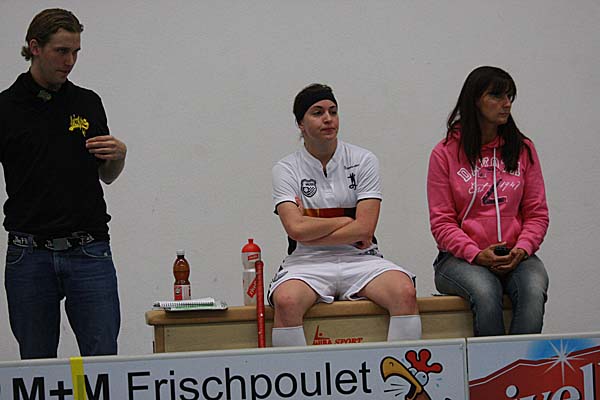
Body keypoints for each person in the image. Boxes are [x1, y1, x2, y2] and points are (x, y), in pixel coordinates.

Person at [0, 8, 127, 359]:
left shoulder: (87, 102)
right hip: (29, 252)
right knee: (36, 365)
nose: (70, 61)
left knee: (103, 359)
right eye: (61, 51)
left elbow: (106, 174)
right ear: (35, 47)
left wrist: (119, 156)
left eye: (75, 52)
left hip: (89, 249)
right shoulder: (6, 108)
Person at [268, 83, 421, 347]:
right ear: (301, 124)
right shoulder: (285, 169)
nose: (328, 119)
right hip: (307, 262)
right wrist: (344, 221)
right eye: (317, 112)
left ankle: (399, 371)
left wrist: (311, 228)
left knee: (404, 291)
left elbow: (365, 230)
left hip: (360, 258)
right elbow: (295, 229)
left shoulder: (364, 160)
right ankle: (296, 372)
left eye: (333, 111)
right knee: (287, 300)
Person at [427, 66, 549, 336]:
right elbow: (442, 222)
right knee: (486, 291)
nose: (506, 104)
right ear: (474, 100)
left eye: (509, 96)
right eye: (496, 96)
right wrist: (475, 253)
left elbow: (537, 214)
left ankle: (520, 360)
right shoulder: (444, 153)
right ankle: (492, 364)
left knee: (533, 288)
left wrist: (522, 249)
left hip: (516, 255)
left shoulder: (523, 149)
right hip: (460, 259)